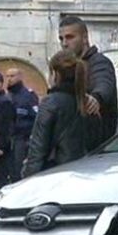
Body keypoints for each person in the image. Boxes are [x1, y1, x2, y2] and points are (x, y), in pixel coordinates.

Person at [22, 50, 102, 178]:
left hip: (56, 174)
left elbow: (38, 149)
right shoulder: (89, 103)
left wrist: (27, 179)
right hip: (86, 174)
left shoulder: (51, 102)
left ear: (55, 74)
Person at [58, 16, 118, 145]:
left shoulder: (98, 61)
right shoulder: (70, 66)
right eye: (61, 38)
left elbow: (104, 82)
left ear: (85, 38)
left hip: (95, 148)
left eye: (70, 37)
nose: (64, 43)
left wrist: (96, 98)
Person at [6, 68, 39, 182]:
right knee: (9, 171)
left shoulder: (28, 96)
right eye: (8, 76)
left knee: (19, 171)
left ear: (20, 77)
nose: (9, 79)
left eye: (12, 76)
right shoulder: (8, 97)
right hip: (9, 140)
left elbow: (36, 118)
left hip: (22, 139)